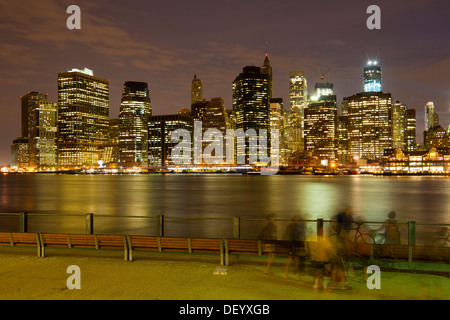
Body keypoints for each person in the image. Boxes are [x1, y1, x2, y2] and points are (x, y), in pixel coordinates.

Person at [283, 214, 306, 279]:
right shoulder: (293, 226)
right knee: (291, 258)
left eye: (298, 219)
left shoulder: (301, 226)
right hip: (293, 243)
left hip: (297, 243)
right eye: (296, 219)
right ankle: (287, 273)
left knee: (296, 259)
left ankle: (296, 274)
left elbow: (303, 235)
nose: (297, 221)